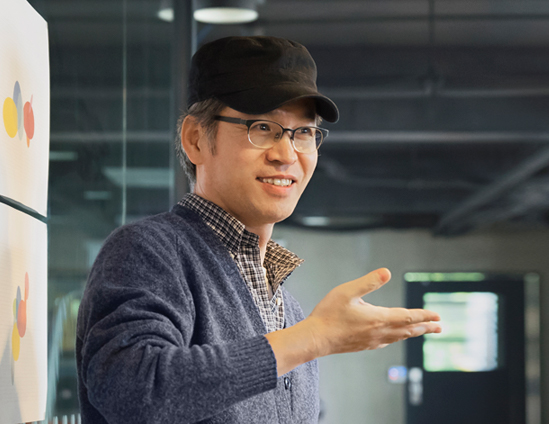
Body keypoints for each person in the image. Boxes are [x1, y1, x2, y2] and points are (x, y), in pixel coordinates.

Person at [75, 36, 442, 423]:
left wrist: (309, 337)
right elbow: (134, 391)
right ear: (195, 139)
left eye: (304, 133)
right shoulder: (150, 250)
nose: (287, 154)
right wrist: (314, 338)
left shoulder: (288, 307)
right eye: (263, 127)